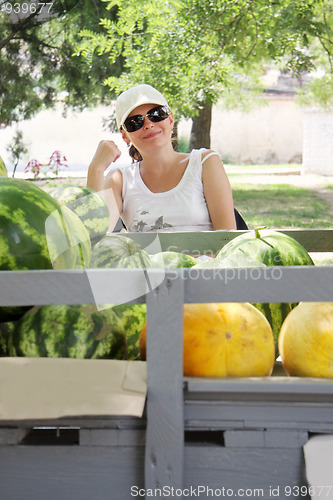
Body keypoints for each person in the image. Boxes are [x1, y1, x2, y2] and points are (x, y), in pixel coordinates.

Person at [87, 84, 236, 232]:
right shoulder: (120, 179)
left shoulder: (205, 163)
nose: (148, 124)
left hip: (207, 256)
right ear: (125, 135)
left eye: (156, 114)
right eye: (135, 122)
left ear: (170, 119)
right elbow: (93, 235)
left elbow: (228, 240)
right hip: (147, 257)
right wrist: (96, 169)